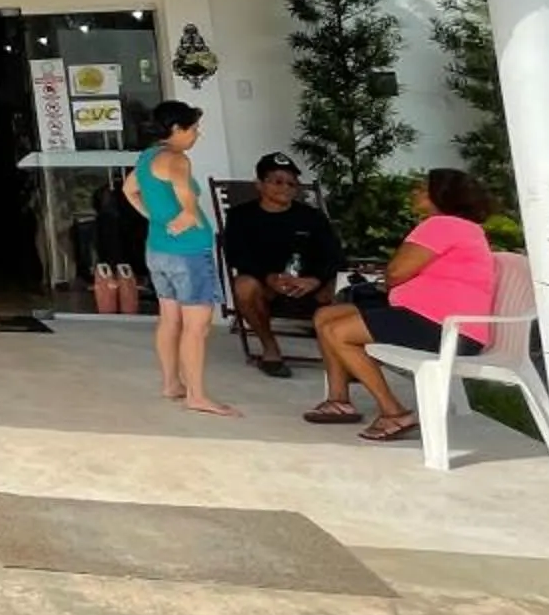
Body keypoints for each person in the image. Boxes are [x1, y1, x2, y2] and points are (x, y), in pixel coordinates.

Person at [304, 170, 499, 442]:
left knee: (339, 332)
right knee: (326, 315)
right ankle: (339, 400)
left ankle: (393, 412)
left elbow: (397, 272)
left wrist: (392, 280)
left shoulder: (441, 225)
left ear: (439, 195)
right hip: (440, 323)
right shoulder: (460, 227)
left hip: (445, 329)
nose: (415, 193)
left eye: (422, 188)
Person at [127, 100, 237, 417]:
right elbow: (189, 212)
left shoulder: (147, 157)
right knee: (197, 327)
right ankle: (197, 395)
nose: (196, 135)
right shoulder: (177, 160)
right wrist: (187, 218)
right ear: (176, 129)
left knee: (170, 319)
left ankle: (171, 384)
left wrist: (155, 218)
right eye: (193, 128)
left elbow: (129, 190)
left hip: (158, 249)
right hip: (188, 252)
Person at [220, 152, 344, 378]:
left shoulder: (312, 217)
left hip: (309, 285)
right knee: (244, 285)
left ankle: (341, 355)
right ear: (259, 184)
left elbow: (334, 256)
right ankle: (270, 348)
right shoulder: (241, 216)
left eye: (291, 183)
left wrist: (314, 279)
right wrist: (268, 277)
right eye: (277, 181)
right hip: (266, 284)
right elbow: (236, 255)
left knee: (339, 286)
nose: (285, 188)